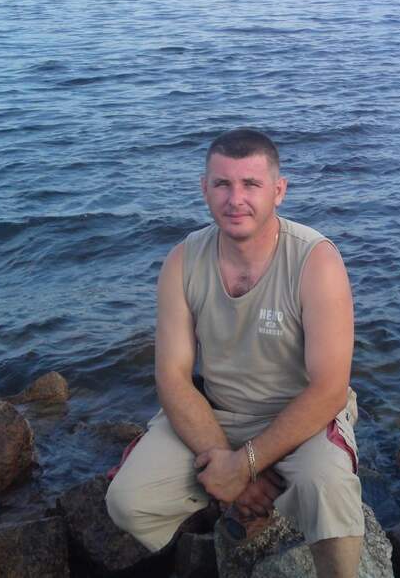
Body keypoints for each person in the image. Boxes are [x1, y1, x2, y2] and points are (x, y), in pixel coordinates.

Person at [106, 128, 364, 577]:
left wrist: (244, 464)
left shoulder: (315, 260)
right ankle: (243, 511)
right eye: (222, 184)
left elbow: (329, 389)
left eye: (251, 184)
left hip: (303, 416)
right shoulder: (183, 261)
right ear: (204, 188)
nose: (235, 199)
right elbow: (172, 377)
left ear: (278, 191)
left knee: (330, 491)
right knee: (128, 502)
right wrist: (230, 469)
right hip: (220, 413)